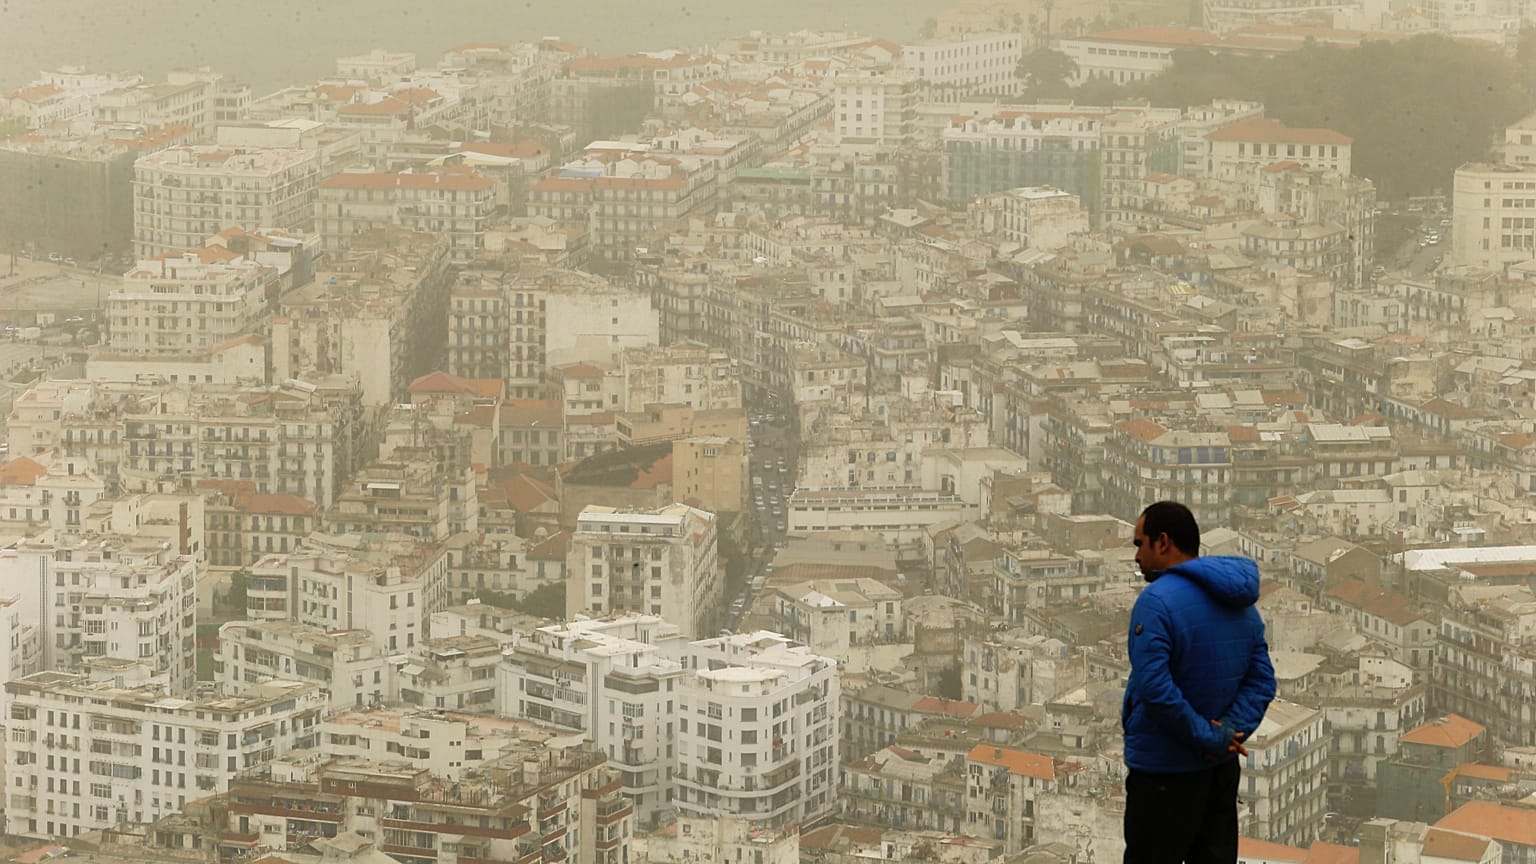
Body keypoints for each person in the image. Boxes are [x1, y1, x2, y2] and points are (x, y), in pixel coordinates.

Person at [1123, 501, 1276, 864]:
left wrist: (1210, 738)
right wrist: (1228, 735)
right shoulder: (1241, 605)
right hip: (1220, 772)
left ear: (1163, 542)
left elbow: (1155, 688)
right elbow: (1262, 682)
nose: (1137, 556)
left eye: (1139, 543)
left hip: (1163, 770)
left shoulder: (1156, 602)